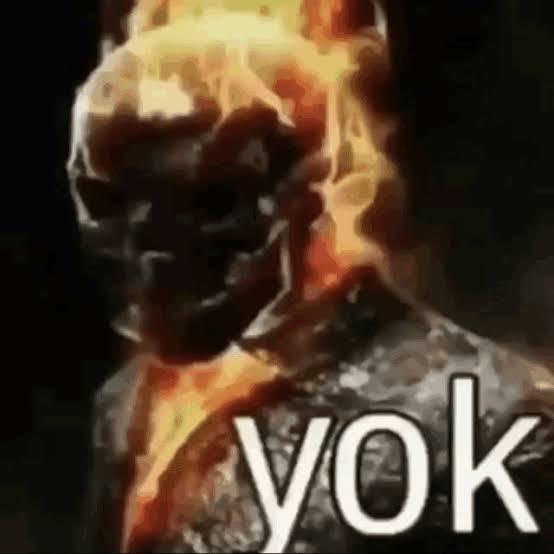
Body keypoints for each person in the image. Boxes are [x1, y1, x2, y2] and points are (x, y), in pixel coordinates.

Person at [69, 1, 553, 551]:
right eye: (108, 202)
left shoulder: (496, 420)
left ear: (317, 190)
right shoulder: (131, 406)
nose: (153, 252)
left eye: (210, 201)